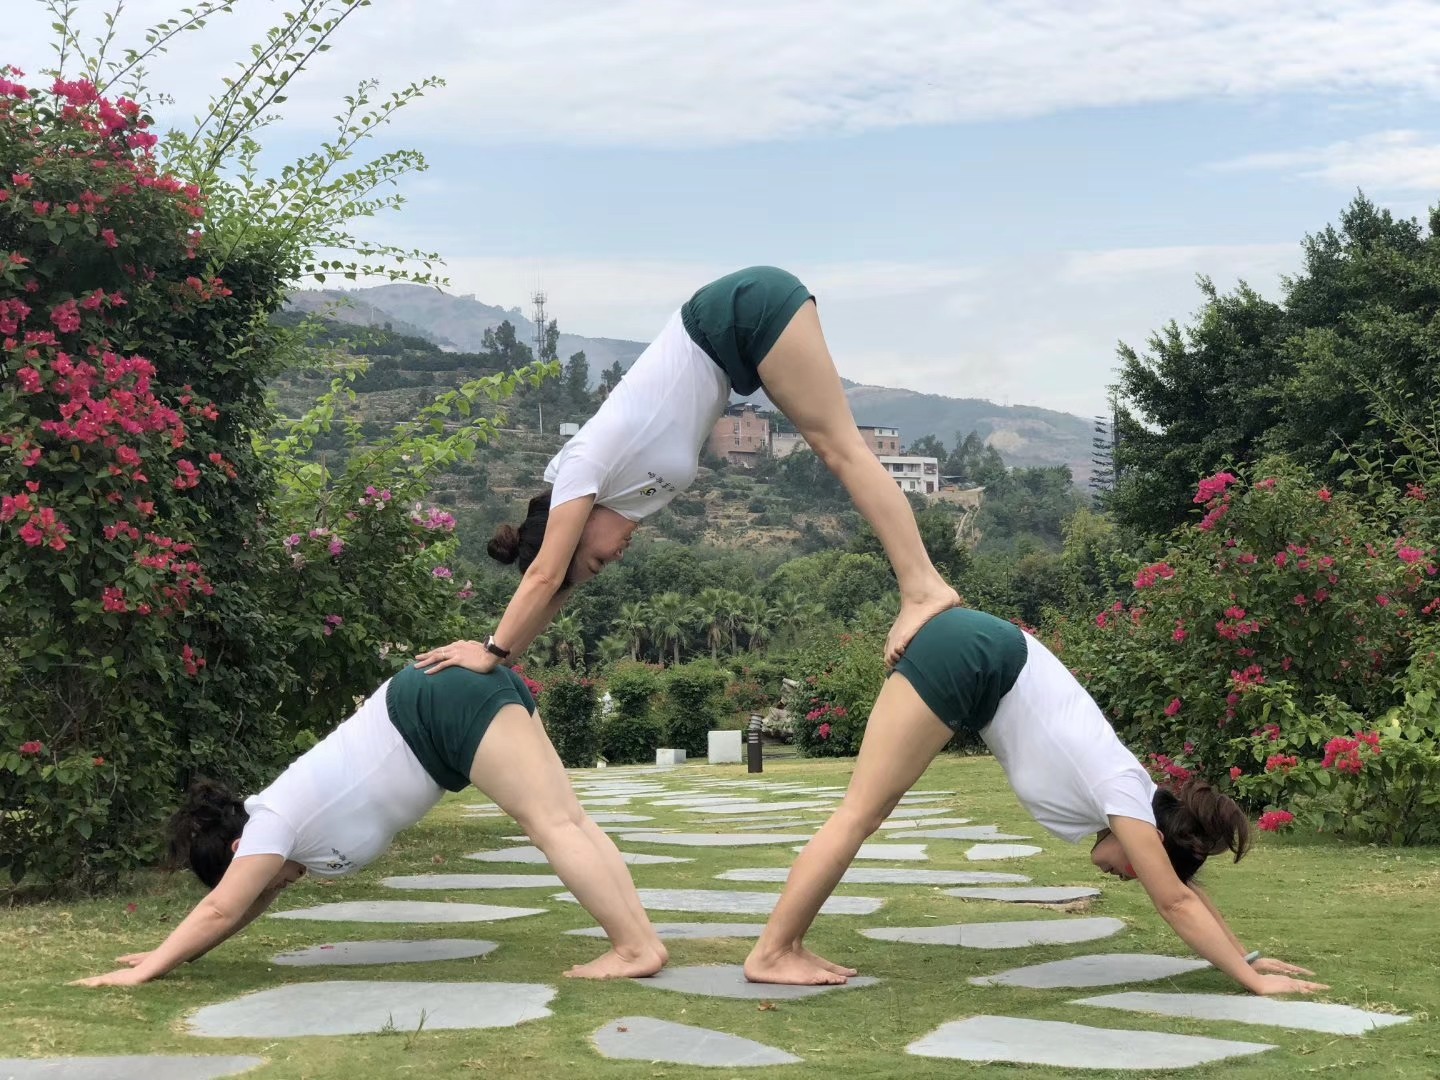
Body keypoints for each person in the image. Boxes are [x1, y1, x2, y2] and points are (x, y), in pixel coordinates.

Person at [741, 606, 1328, 996]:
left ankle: (786, 945)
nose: (1130, 877)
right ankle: (771, 952)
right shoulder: (1124, 794)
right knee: (859, 814)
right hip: (979, 660)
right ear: (1150, 841)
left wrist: (1245, 958)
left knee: (863, 815)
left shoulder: (1132, 795)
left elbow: (1183, 889)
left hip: (982, 661)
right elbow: (1174, 899)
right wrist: (1256, 984)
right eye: (1138, 870)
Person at [419, 267, 958, 683]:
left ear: (576, 527)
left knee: (839, 447)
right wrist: (506, 658)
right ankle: (922, 587)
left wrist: (488, 651)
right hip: (733, 345)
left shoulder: (583, 466)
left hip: (732, 314)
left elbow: (544, 575)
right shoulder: (622, 499)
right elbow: (555, 590)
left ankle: (922, 587)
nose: (616, 558)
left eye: (598, 559)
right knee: (836, 447)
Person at [71, 663, 668, 988]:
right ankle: (643, 942)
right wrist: (168, 956)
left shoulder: (270, 823)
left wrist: (145, 973)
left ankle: (633, 947)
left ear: (238, 848)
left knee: (553, 824)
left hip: (434, 708)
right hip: (440, 705)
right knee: (569, 820)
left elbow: (223, 908)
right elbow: (240, 910)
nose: (271, 887)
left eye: (254, 877)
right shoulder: (280, 837)